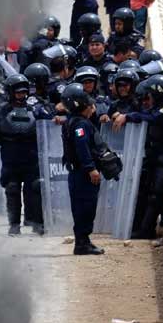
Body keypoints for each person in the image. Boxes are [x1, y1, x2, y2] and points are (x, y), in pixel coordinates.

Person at [113, 75, 163, 239]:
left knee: (156, 194)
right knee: (146, 192)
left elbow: (154, 118)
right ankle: (140, 227)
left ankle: (147, 230)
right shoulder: (161, 106)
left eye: (149, 95)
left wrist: (129, 117)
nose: (147, 99)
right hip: (157, 156)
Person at [0, 75, 45, 236]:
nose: (21, 95)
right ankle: (14, 224)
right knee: (12, 189)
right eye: (18, 92)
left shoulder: (35, 108)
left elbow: (48, 121)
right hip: (10, 156)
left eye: (24, 92)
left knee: (34, 188)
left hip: (31, 156)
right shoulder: (0, 111)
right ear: (10, 92)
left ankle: (36, 222)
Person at [60, 83, 105, 256]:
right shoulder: (80, 125)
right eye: (89, 105)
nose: (93, 108)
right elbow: (82, 147)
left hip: (76, 173)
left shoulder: (70, 121)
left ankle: (82, 242)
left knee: (81, 208)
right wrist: (91, 169)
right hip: (83, 174)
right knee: (86, 207)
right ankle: (82, 243)